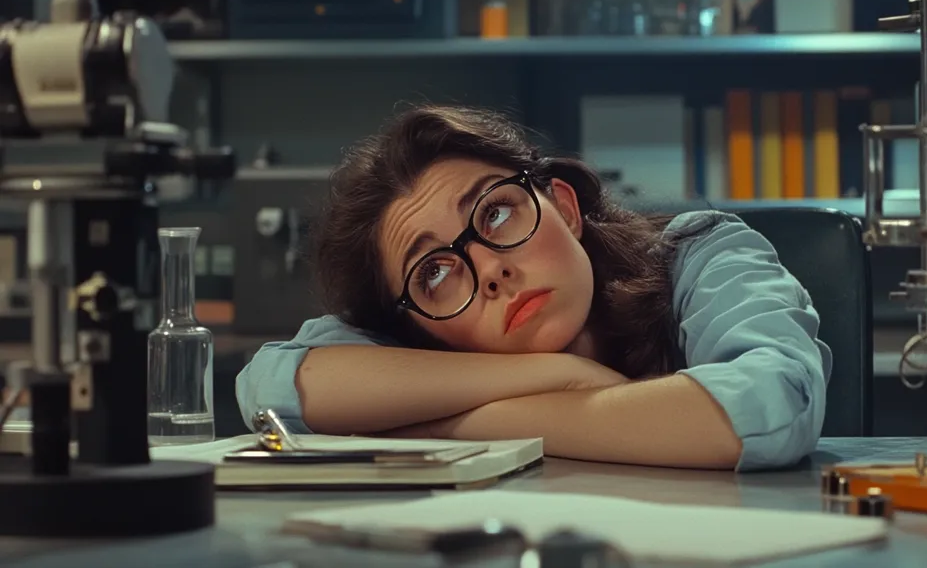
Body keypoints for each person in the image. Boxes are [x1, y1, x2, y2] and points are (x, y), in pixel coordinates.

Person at [235, 105, 832, 471]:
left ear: (564, 209)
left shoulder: (699, 252)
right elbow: (271, 389)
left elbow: (769, 407)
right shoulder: (412, 337)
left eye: (495, 214)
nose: (490, 271)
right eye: (434, 272)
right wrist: (560, 377)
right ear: (416, 327)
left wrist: (447, 424)